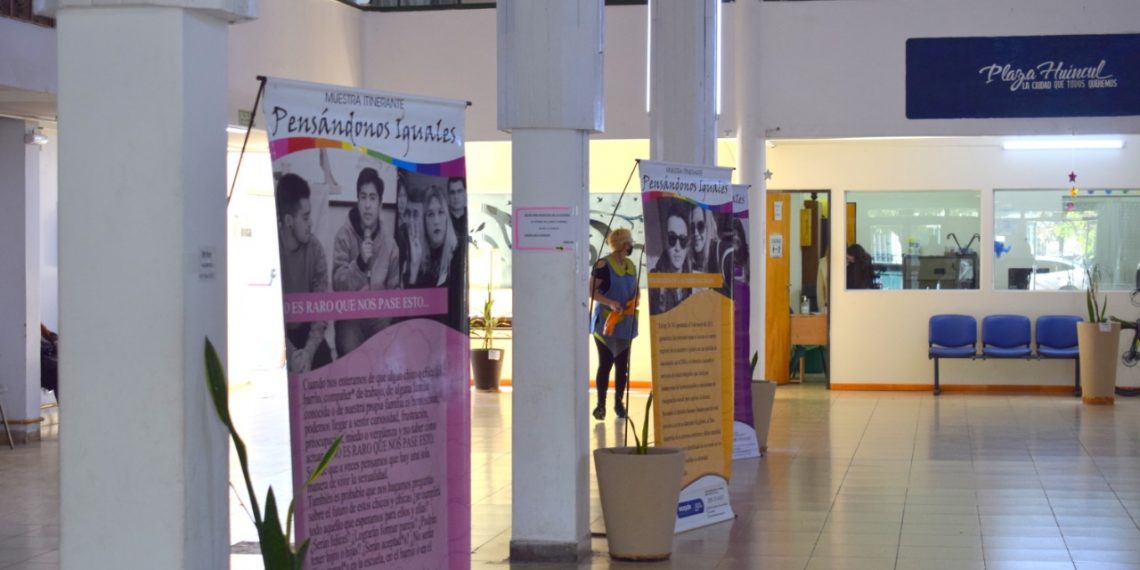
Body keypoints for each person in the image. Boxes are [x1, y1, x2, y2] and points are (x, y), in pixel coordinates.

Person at [332, 167, 401, 355]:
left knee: (387, 351)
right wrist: (360, 263)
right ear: (357, 201)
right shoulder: (343, 236)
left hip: (379, 318)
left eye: (372, 198)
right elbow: (338, 285)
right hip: (350, 317)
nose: (367, 205)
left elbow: (395, 291)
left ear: (380, 204)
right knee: (351, 352)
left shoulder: (390, 244)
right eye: (363, 197)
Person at [276, 173, 333, 373]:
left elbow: (321, 311)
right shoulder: (271, 251)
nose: (311, 223)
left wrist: (308, 352)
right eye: (305, 217)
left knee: (326, 362)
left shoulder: (315, 250)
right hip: (278, 335)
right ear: (289, 220)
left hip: (307, 332)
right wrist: (291, 353)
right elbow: (266, 317)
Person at [589, 229, 639, 420]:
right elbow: (591, 291)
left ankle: (619, 404)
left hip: (626, 323)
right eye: (630, 243)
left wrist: (636, 299)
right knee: (605, 363)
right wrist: (609, 302)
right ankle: (600, 405)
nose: (631, 246)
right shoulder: (602, 265)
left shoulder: (631, 265)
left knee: (622, 366)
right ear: (624, 245)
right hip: (606, 323)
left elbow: (635, 289)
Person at [649, 205, 692, 314]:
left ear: (687, 244)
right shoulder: (653, 284)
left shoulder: (695, 281)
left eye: (682, 239)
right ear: (665, 240)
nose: (677, 247)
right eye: (672, 238)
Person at [689, 207, 720, 274]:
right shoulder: (688, 260)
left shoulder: (718, 256)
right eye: (692, 227)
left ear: (708, 228)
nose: (696, 233)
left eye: (700, 226)